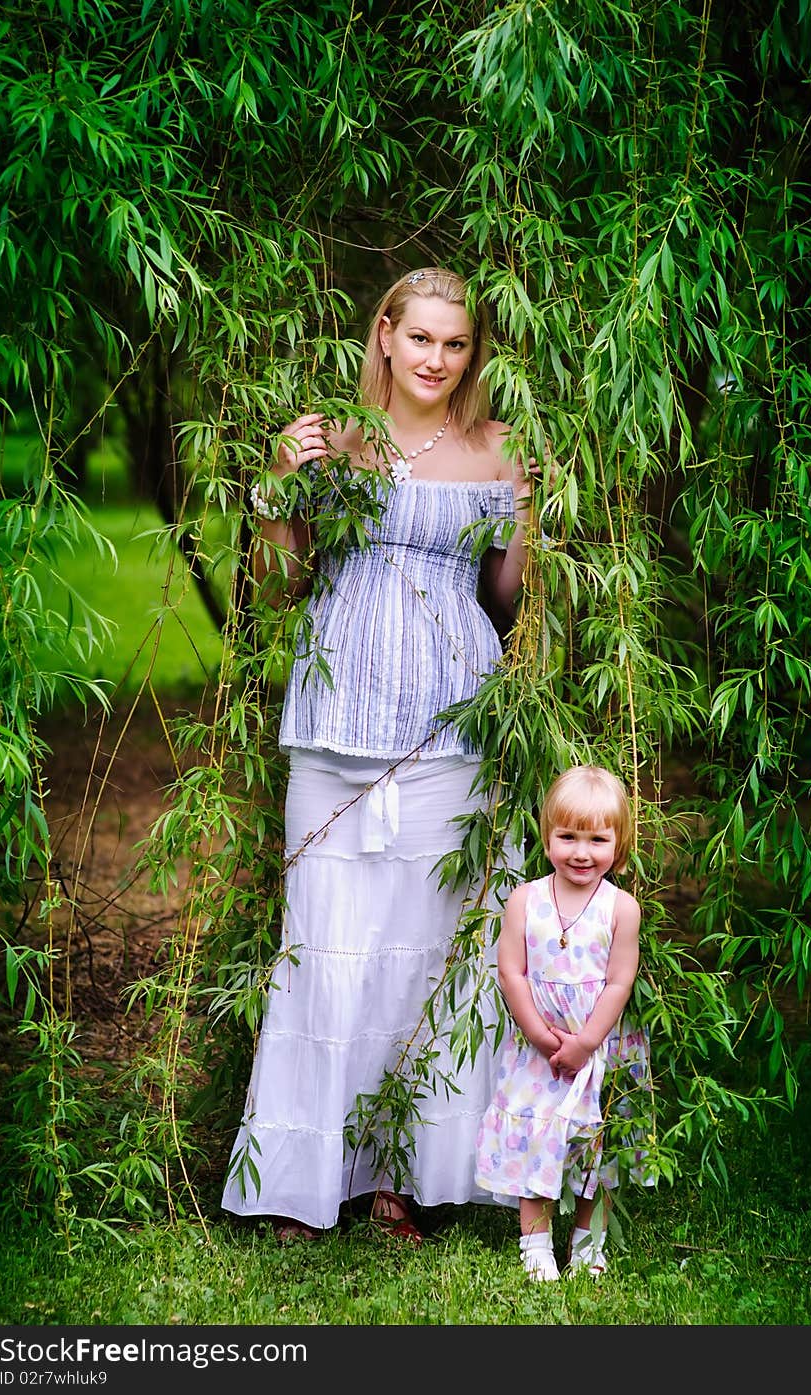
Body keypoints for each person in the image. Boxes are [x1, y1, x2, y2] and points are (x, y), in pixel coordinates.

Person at [221, 266, 533, 1243]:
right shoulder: (333, 437)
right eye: (422, 338)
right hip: (337, 721)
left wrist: (528, 514)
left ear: (470, 353)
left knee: (431, 955)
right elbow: (279, 583)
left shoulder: (498, 448)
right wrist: (280, 487)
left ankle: (406, 1179)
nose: (438, 359)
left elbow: (507, 601)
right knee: (325, 950)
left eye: (457, 343)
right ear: (386, 336)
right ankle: (307, 1183)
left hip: (453, 723)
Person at [474, 764, 653, 1281]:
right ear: (546, 835)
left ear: (617, 845)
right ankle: (536, 1249)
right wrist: (537, 1032)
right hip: (540, 1049)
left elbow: (619, 980)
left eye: (597, 839)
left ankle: (588, 1243)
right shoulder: (525, 900)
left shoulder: (621, 908)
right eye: (568, 836)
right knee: (537, 1140)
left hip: (600, 1045)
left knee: (599, 1150)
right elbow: (512, 970)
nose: (581, 851)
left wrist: (586, 1042)